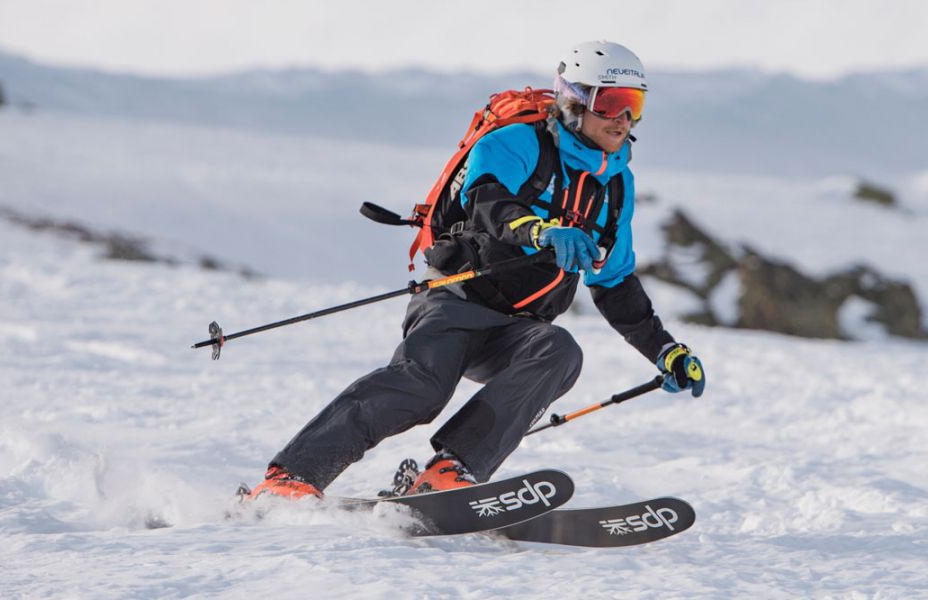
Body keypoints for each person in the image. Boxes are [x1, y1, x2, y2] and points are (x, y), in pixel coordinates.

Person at [247, 40, 706, 501]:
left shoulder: (616, 186)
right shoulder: (516, 142)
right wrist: (541, 232)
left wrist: (665, 350)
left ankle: (450, 471)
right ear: (573, 101)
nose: (623, 120)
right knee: (422, 386)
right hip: (455, 299)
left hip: (520, 326)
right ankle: (290, 477)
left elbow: (615, 281)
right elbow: (487, 201)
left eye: (635, 106)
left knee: (559, 351)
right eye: (611, 103)